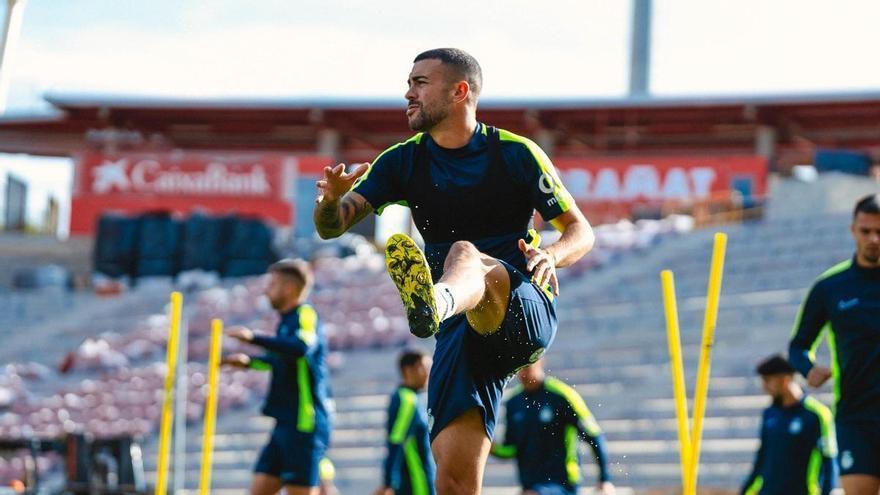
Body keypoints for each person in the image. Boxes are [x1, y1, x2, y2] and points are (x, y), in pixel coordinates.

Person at [314, 48, 594, 493]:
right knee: (453, 482)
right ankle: (440, 303)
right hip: (459, 333)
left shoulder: (516, 153)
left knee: (466, 254)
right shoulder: (402, 160)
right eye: (409, 82)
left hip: (520, 304)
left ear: (460, 91)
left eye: (420, 83)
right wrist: (330, 202)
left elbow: (581, 231)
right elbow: (333, 227)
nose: (408, 93)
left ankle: (437, 300)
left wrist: (551, 255)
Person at [789, 193, 880, 495]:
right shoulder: (830, 287)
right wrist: (808, 368)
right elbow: (798, 345)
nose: (873, 239)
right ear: (853, 229)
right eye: (866, 231)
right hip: (856, 416)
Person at [221, 259, 331, 495]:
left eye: (272, 284)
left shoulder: (305, 314)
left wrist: (253, 337)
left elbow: (301, 348)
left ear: (289, 288)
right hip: (284, 424)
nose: (266, 290)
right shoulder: (285, 322)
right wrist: (248, 362)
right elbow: (281, 358)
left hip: (304, 423)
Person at [491, 359, 614, 495]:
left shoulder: (561, 395)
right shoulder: (513, 402)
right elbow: (511, 449)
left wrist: (605, 479)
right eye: (519, 367)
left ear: (540, 361)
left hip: (562, 483)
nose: (522, 372)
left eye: (527, 366)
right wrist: (491, 447)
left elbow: (594, 435)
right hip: (530, 485)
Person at [741, 354, 837, 495]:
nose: (764, 387)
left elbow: (829, 462)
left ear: (785, 380)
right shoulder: (770, 413)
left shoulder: (816, 414)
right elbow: (762, 459)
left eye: (767, 381)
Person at [374, 348, 435, 495]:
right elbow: (396, 441)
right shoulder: (407, 400)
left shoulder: (413, 398)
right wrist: (388, 483)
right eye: (424, 367)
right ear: (408, 370)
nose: (428, 373)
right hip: (416, 484)